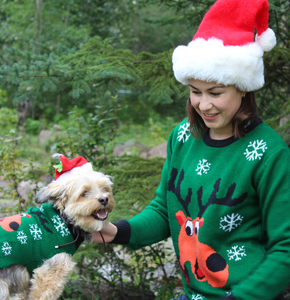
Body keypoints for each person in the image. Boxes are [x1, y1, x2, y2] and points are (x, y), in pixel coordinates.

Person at [93, 0, 290, 299]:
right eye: (195, 91)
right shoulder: (183, 136)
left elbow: (285, 249)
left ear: (243, 87)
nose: (204, 105)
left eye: (216, 93)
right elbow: (165, 211)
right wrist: (118, 232)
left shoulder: (268, 153)